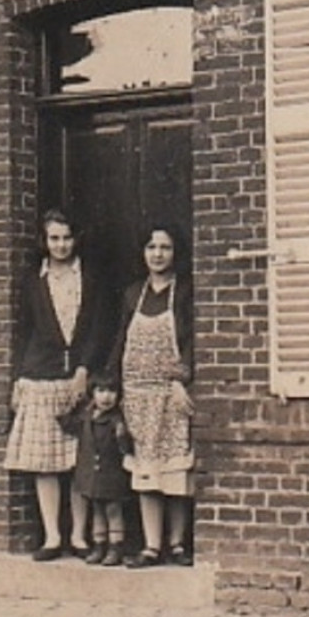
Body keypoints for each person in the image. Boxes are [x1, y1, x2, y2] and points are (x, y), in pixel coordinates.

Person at [4, 210, 106, 561]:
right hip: (40, 376)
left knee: (77, 460)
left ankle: (79, 537)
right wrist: (19, 376)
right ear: (44, 242)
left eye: (66, 238)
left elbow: (97, 327)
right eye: (54, 239)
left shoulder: (90, 278)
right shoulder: (33, 280)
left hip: (77, 378)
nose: (61, 245)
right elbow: (23, 330)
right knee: (45, 461)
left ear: (76, 239)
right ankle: (52, 536)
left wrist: (84, 369)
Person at [109, 223, 194, 568]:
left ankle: (176, 543)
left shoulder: (185, 291)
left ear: (176, 253)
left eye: (165, 247)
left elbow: (192, 341)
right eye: (151, 247)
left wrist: (183, 378)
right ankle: (151, 544)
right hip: (138, 393)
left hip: (171, 392)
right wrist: (111, 383)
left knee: (174, 469)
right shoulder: (133, 294)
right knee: (146, 469)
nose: (157, 254)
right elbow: (120, 340)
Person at [69, 372, 133, 566]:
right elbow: (67, 422)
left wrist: (123, 439)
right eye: (101, 391)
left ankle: (116, 546)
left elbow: (126, 447)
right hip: (92, 472)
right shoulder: (87, 417)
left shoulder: (117, 420)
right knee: (96, 509)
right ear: (93, 394)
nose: (106, 397)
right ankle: (99, 545)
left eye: (112, 392)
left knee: (113, 509)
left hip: (111, 472)